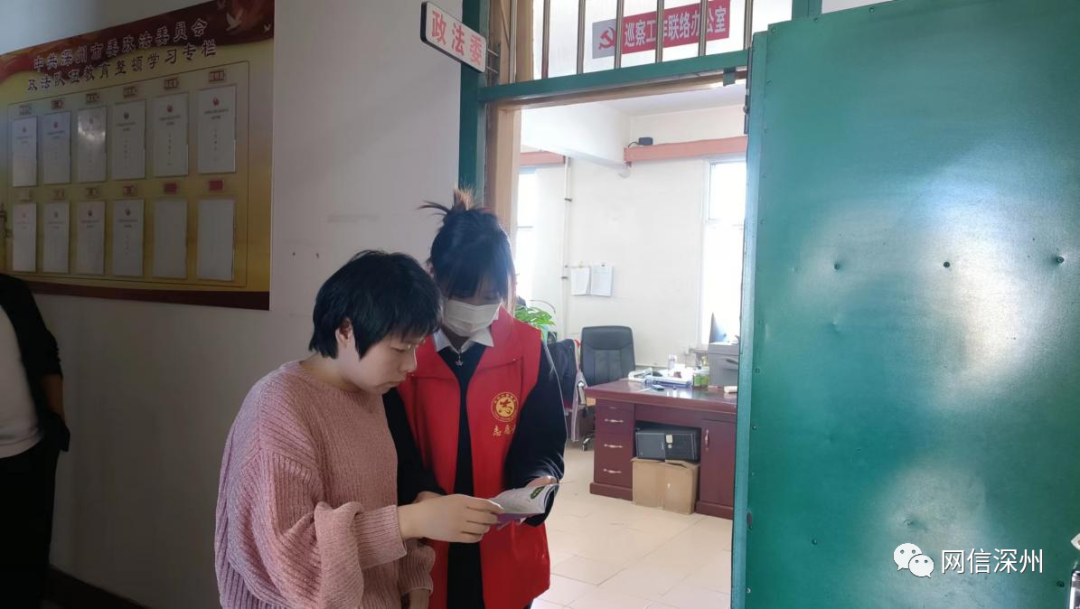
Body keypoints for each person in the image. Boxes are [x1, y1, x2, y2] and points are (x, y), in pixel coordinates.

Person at [215, 251, 503, 609]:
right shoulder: (277, 405)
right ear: (346, 330)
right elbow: (293, 562)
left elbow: (382, 503)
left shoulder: (371, 394)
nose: (411, 364)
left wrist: (413, 580)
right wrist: (409, 521)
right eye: (400, 348)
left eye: (416, 347)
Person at [385, 190, 567, 609]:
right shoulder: (403, 350)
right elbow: (392, 448)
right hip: (424, 545)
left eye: (489, 298)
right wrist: (421, 493)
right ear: (433, 275)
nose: (474, 307)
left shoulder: (527, 349)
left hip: (504, 546)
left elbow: (543, 443)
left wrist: (538, 481)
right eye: (461, 294)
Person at [0, 274, 69, 609]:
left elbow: (46, 354)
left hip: (30, 450)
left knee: (27, 565)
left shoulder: (12, 291)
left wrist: (57, 421)